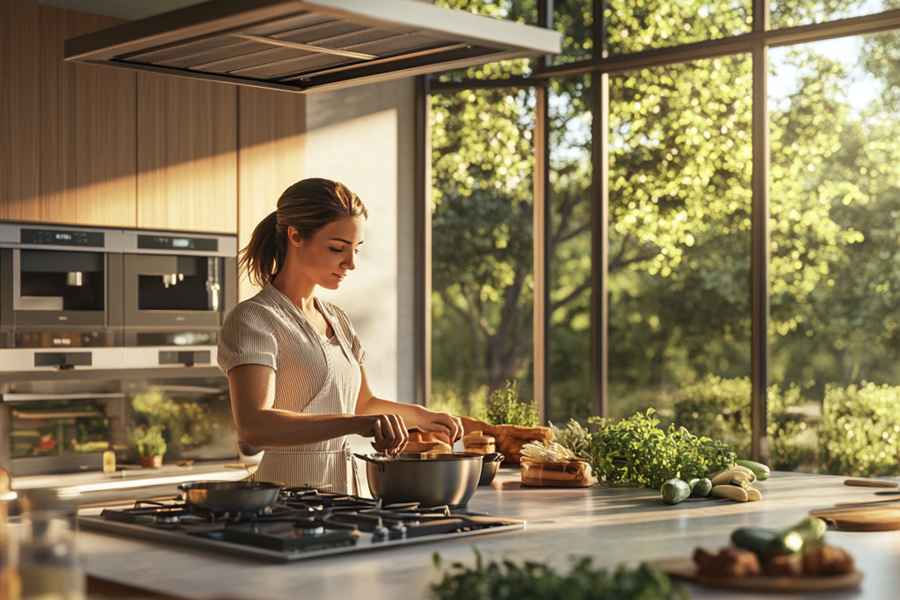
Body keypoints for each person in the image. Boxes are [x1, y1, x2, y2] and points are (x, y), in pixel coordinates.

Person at [217, 178, 462, 493]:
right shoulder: (253, 319)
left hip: (347, 495)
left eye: (355, 249)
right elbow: (254, 426)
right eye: (337, 248)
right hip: (285, 499)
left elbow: (363, 405)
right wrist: (356, 425)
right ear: (295, 236)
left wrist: (422, 417)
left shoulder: (338, 319)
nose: (351, 263)